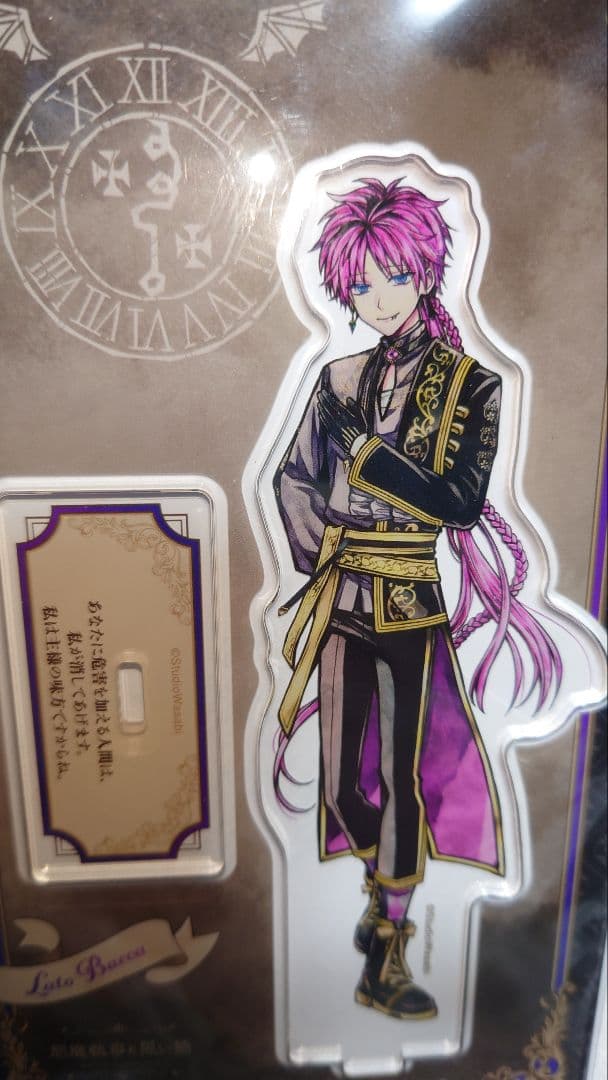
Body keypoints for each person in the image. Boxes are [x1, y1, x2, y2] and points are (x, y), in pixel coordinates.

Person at [273, 178, 560, 1020]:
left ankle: (389, 946)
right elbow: (293, 478)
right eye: (361, 284)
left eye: (394, 276)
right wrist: (319, 550)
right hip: (341, 598)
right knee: (341, 787)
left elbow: (460, 502)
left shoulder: (474, 385)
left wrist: (368, 460)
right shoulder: (337, 377)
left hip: (409, 607)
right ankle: (383, 884)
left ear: (426, 270)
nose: (378, 298)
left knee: (400, 777)